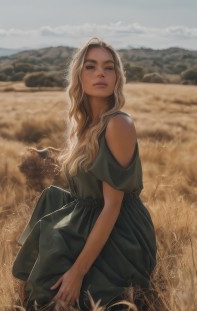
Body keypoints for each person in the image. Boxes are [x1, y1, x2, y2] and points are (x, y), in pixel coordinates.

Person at [12, 37, 157, 310]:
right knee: (53, 201)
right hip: (92, 216)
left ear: (117, 77)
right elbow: (89, 171)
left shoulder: (118, 124)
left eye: (108, 67)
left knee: (67, 293)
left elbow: (112, 206)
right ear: (79, 75)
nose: (100, 73)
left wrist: (78, 273)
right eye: (91, 66)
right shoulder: (85, 126)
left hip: (120, 231)